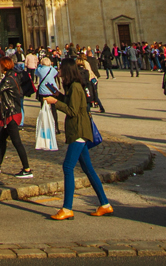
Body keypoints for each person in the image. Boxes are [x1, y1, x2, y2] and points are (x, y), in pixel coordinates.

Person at [43, 59, 112, 220]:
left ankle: (67, 208)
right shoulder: (74, 87)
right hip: (79, 130)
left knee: (68, 167)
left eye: (60, 70)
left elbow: (72, 110)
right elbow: (72, 103)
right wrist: (58, 95)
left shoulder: (75, 87)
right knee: (88, 169)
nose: (58, 72)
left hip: (79, 131)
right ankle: (105, 204)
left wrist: (55, 102)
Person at [0, 58, 33, 177]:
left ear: (4, 66)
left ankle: (27, 169)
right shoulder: (13, 76)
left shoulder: (7, 79)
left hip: (12, 113)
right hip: (13, 111)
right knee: (2, 137)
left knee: (17, 142)